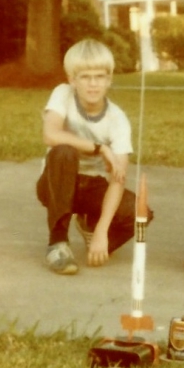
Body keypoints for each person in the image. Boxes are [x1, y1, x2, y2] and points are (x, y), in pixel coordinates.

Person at [35, 39, 149, 275]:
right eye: (85, 77)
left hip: (91, 186)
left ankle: (91, 228)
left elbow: (118, 178)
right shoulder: (63, 94)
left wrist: (102, 232)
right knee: (64, 151)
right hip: (55, 184)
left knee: (141, 213)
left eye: (99, 76)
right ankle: (58, 243)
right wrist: (98, 148)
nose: (93, 84)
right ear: (72, 80)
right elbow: (50, 134)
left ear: (109, 80)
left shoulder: (117, 119)